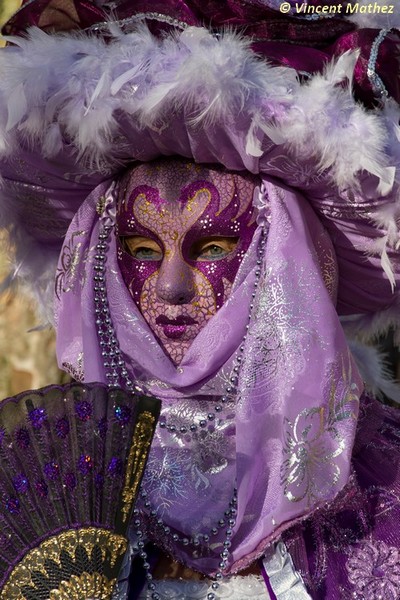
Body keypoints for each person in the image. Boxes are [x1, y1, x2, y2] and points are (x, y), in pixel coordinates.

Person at [0, 1, 399, 599]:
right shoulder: (43, 479)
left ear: (283, 260)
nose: (170, 288)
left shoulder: (387, 490)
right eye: (139, 249)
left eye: (213, 247)